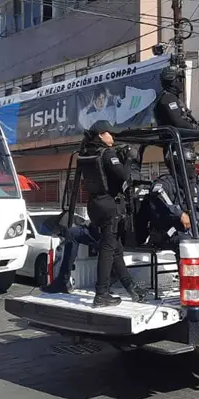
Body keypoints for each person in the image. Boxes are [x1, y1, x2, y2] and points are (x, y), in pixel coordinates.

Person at [78, 120, 147, 307]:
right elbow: (123, 176)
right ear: (101, 135)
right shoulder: (107, 154)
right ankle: (101, 293)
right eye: (109, 133)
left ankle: (131, 287)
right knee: (108, 250)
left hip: (94, 204)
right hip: (109, 206)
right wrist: (130, 158)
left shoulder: (86, 152)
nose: (113, 137)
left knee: (115, 250)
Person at [154, 65, 199, 131]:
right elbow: (178, 122)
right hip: (173, 139)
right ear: (173, 82)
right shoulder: (168, 98)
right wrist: (195, 128)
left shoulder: (173, 97)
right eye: (179, 80)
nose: (181, 82)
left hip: (182, 138)